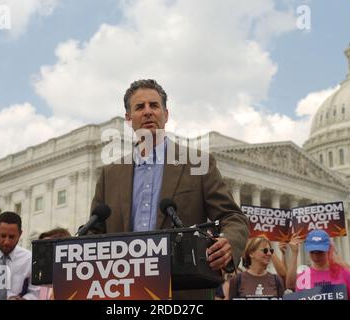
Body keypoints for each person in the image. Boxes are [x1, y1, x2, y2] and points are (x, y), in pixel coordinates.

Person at [90, 79, 249, 299]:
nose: (147, 112)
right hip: (123, 292)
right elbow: (93, 232)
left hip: (183, 291)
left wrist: (229, 241)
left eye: (154, 106)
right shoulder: (110, 174)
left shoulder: (197, 163)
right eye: (139, 107)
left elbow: (232, 216)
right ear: (128, 118)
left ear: (166, 113)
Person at [286, 229, 350, 299]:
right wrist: (294, 253)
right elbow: (290, 286)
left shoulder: (344, 273)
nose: (316, 256)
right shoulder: (303, 277)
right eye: (312, 252)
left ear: (329, 249)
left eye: (320, 252)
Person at [37, 227, 71, 300]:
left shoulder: (74, 283)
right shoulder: (43, 282)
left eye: (46, 248)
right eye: (41, 248)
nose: (41, 254)